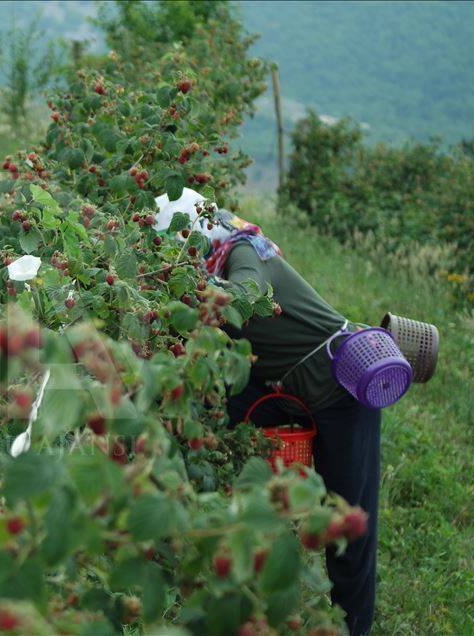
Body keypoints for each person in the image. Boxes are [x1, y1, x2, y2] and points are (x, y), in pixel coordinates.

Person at [155, 189, 380, 636]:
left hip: (343, 389)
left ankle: (353, 627)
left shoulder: (244, 252)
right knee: (205, 399)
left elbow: (244, 294)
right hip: (289, 387)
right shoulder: (223, 256)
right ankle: (214, 516)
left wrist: (192, 301)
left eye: (176, 250)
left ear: (197, 236)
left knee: (348, 525)